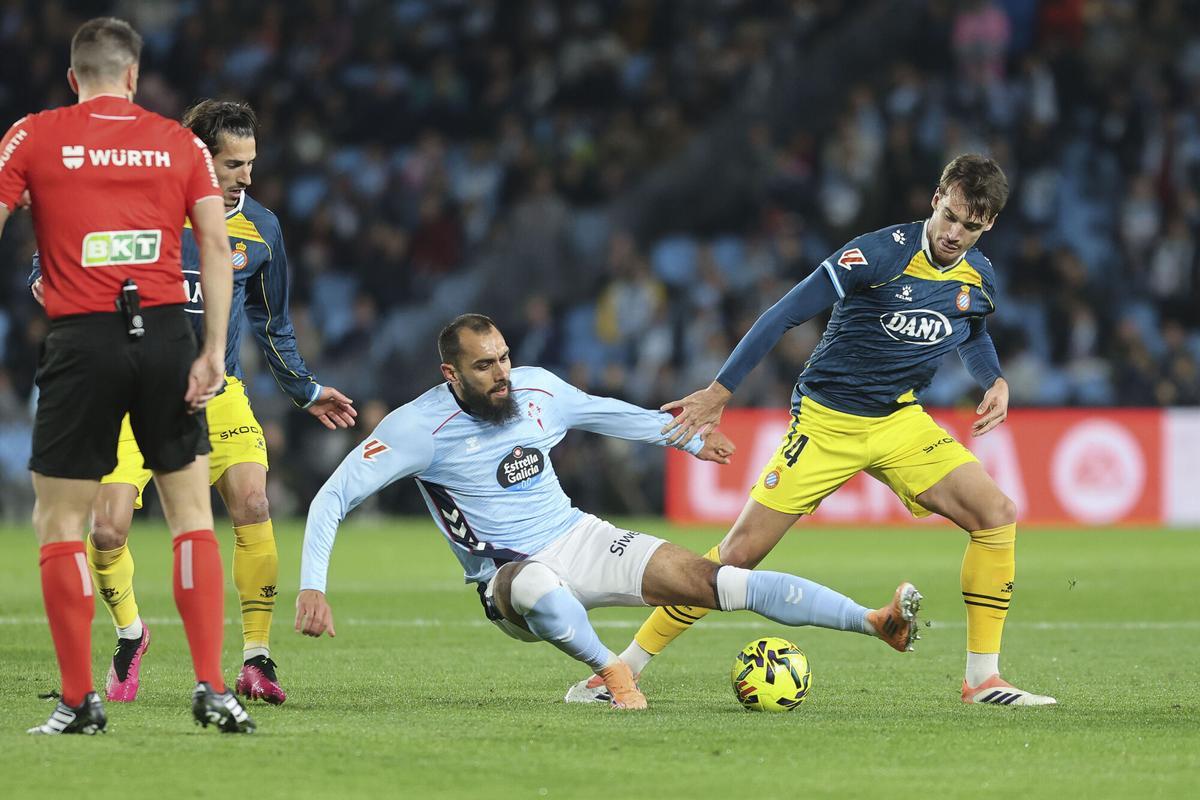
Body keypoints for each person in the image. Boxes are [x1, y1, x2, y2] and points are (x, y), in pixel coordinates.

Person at [568, 154, 1055, 707]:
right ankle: (618, 670)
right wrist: (719, 392)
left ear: (989, 225)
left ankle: (983, 680)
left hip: (900, 420)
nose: (955, 233)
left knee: (997, 513)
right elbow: (782, 313)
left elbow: (971, 328)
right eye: (951, 216)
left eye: (972, 226)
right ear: (937, 197)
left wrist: (994, 380)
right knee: (736, 558)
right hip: (827, 422)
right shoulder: (877, 253)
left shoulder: (978, 275)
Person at [294, 314, 923, 708]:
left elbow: (608, 413)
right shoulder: (415, 428)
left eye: (504, 357)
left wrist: (688, 437)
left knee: (713, 581)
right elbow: (332, 497)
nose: (501, 374)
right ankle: (612, 674)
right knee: (537, 584)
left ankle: (873, 622)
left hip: (578, 537)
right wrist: (313, 587)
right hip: (506, 577)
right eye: (484, 366)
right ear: (450, 374)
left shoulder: (537, 389)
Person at [29, 99, 356, 707]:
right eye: (233, 163)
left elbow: (272, 322)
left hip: (219, 390)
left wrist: (304, 388)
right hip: (134, 393)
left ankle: (256, 659)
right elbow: (51, 257)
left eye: (251, 162)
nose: (246, 176)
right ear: (198, 156)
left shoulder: (260, 227)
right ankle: (130, 635)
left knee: (254, 502)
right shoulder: (136, 201)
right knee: (106, 529)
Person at [0, 17, 254, 733]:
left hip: (82, 339)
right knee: (192, 516)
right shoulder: (179, 143)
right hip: (170, 335)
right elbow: (212, 243)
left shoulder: (33, 135)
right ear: (136, 77)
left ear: (74, 78)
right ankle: (213, 689)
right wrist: (210, 351)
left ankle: (80, 701)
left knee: (61, 523)